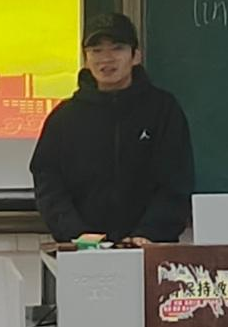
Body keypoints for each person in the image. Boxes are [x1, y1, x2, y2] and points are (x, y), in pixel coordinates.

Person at [30, 12, 194, 246]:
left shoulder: (163, 110)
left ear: (135, 56)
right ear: (86, 59)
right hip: (83, 249)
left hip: (151, 248)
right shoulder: (64, 118)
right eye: (96, 51)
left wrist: (150, 233)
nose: (106, 59)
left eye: (117, 49)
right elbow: (48, 182)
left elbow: (177, 179)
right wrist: (76, 233)